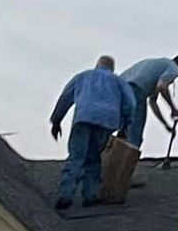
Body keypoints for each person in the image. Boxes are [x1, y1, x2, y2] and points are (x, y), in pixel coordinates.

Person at [50, 55, 136, 210]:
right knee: (94, 158)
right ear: (112, 69)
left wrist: (56, 120)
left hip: (84, 118)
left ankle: (66, 195)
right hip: (107, 122)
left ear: (97, 65)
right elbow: (130, 104)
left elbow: (65, 98)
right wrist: (125, 125)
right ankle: (90, 195)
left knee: (76, 156)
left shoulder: (83, 76)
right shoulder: (119, 82)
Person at [120, 53, 178, 149]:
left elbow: (153, 102)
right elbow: (162, 87)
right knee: (135, 134)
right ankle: (128, 159)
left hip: (119, 90)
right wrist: (173, 109)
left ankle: (112, 150)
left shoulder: (159, 67)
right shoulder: (173, 67)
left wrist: (165, 124)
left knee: (118, 126)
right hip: (136, 92)